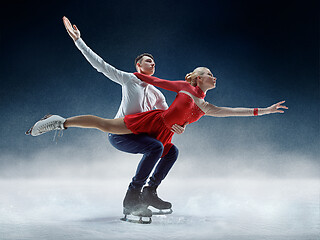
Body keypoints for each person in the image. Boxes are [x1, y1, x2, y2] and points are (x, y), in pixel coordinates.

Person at [27, 66, 288, 209]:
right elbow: (157, 81)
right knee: (105, 125)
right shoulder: (186, 88)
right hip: (151, 122)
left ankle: (150, 191)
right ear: (197, 78)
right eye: (208, 73)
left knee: (171, 152)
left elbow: (230, 112)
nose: (213, 76)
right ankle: (60, 122)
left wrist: (263, 111)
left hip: (163, 133)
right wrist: (131, 74)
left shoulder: (205, 106)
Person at [33, 16, 187, 218]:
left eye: (154, 62)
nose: (153, 63)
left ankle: (150, 192)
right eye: (148, 61)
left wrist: (179, 125)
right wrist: (79, 41)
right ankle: (132, 197)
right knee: (154, 147)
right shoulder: (129, 79)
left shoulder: (157, 93)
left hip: (141, 134)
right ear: (138, 66)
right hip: (121, 134)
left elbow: (169, 116)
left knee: (171, 151)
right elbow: (101, 65)